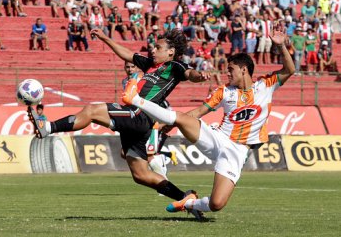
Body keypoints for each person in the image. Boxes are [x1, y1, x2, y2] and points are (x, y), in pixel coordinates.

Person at [27, 28, 209, 220]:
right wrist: (105, 38)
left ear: (171, 52)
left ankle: (47, 128)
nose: (153, 50)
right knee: (140, 175)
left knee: (91, 111)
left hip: (139, 114)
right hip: (141, 123)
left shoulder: (174, 66)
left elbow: (190, 74)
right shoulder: (149, 65)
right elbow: (127, 54)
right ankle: (187, 200)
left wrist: (200, 76)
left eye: (158, 47)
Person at [121, 30, 295, 215]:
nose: (227, 74)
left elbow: (290, 70)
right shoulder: (224, 91)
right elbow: (198, 112)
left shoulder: (265, 85)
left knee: (216, 204)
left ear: (243, 69)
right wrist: (169, 124)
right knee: (180, 117)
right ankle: (136, 100)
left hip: (237, 151)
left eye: (231, 70)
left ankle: (188, 203)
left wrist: (281, 45)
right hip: (217, 139)